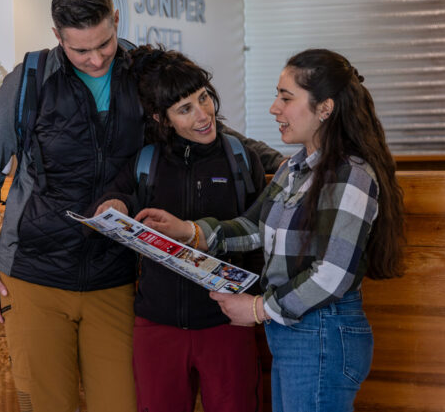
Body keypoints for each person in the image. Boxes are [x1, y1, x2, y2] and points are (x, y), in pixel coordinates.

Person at [0, 0, 282, 412]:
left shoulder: (142, 73)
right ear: (57, 36)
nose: (95, 59)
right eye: (80, 50)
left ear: (116, 21)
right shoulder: (30, 80)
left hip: (115, 278)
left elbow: (199, 123)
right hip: (34, 273)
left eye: (105, 44)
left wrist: (281, 160)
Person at [136, 48, 406, 412]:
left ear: (324, 108)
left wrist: (259, 309)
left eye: (286, 97)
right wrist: (189, 231)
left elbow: (332, 276)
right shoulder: (293, 169)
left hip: (322, 333)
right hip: (293, 332)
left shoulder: (350, 174)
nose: (274, 108)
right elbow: (254, 227)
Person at [91, 46, 267, 412]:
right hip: (157, 326)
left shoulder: (240, 158)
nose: (203, 115)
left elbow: (260, 234)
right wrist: (116, 204)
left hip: (227, 325)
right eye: (185, 109)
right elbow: (116, 193)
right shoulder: (146, 161)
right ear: (162, 118)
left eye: (204, 98)